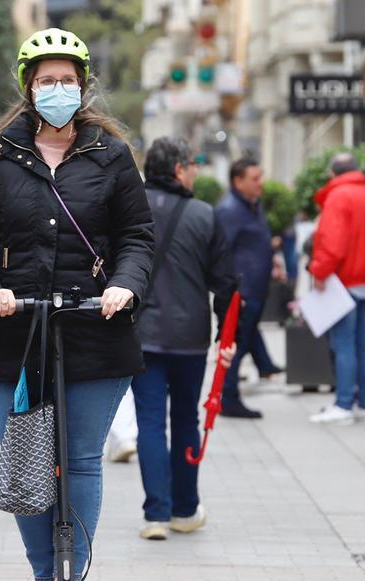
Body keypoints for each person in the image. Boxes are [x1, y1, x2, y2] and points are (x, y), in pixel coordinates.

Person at [0, 27, 153, 581]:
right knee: (27, 460)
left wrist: (126, 285)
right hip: (19, 332)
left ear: (83, 85)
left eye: (67, 80)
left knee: (83, 461)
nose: (58, 89)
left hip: (97, 325)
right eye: (47, 81)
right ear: (28, 87)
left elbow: (138, 238)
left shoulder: (110, 154)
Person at [132, 137, 238, 541]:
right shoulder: (204, 215)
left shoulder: (130, 209)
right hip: (191, 337)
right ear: (179, 168)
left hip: (141, 334)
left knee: (150, 422)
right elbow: (226, 283)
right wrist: (229, 335)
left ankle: (155, 515)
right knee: (185, 419)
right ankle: (184, 508)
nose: (195, 171)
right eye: (192, 164)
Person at [307, 153, 365, 425]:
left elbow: (333, 242)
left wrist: (320, 271)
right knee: (364, 342)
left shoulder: (338, 197)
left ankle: (344, 403)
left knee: (343, 342)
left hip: (344, 281)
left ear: (333, 174)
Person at [216, 157, 280, 419]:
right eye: (255, 178)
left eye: (261, 176)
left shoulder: (253, 205)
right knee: (236, 346)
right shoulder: (229, 210)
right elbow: (222, 251)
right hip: (242, 291)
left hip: (256, 287)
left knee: (246, 338)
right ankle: (229, 399)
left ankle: (265, 366)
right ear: (238, 181)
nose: (260, 183)